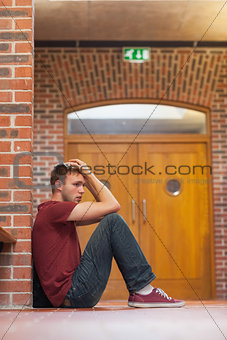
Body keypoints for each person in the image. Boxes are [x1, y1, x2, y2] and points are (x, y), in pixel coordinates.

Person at [32, 159, 185, 309]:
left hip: (73, 293)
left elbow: (107, 210)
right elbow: (113, 206)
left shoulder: (58, 215)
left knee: (111, 219)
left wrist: (88, 180)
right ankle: (143, 290)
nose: (82, 190)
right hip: (73, 293)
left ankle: (142, 290)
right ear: (58, 185)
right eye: (76, 185)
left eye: (83, 185)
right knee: (113, 221)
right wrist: (89, 174)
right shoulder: (54, 210)